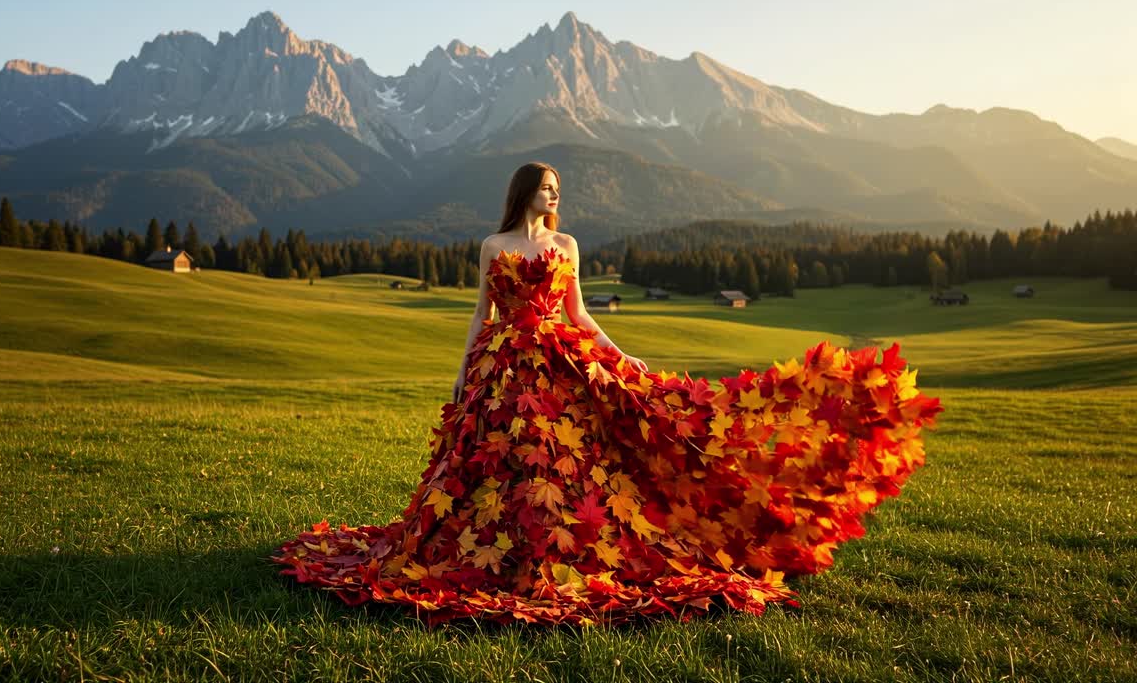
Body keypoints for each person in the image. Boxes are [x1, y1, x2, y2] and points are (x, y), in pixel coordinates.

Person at [271, 161, 942, 626]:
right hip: (505, 368)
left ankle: (556, 548)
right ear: (524, 191)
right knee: (501, 462)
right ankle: (503, 548)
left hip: (560, 361)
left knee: (572, 457)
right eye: (546, 186)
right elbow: (482, 315)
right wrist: (462, 369)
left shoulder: (567, 244)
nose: (553, 194)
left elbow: (580, 313)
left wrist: (622, 354)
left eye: (557, 187)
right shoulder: (492, 245)